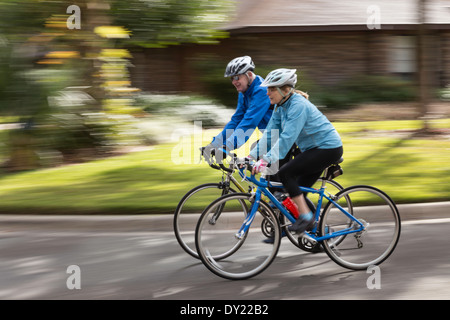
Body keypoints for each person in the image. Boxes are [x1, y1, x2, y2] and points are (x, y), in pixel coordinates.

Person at [249, 68, 343, 234]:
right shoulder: (281, 106)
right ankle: (321, 234)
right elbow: (270, 135)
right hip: (314, 149)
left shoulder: (297, 105)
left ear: (284, 90)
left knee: (286, 173)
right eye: (268, 89)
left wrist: (266, 159)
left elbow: (286, 138)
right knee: (294, 192)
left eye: (271, 89)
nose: (267, 93)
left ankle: (306, 218)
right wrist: (251, 156)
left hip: (327, 148)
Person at [203, 56, 273, 155]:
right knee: (255, 158)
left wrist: (227, 146)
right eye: (232, 78)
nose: (234, 82)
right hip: (272, 136)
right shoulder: (244, 93)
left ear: (249, 74)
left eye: (236, 77)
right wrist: (214, 144)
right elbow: (236, 120)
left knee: (256, 157)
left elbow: (249, 122)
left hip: (285, 136)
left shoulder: (262, 90)